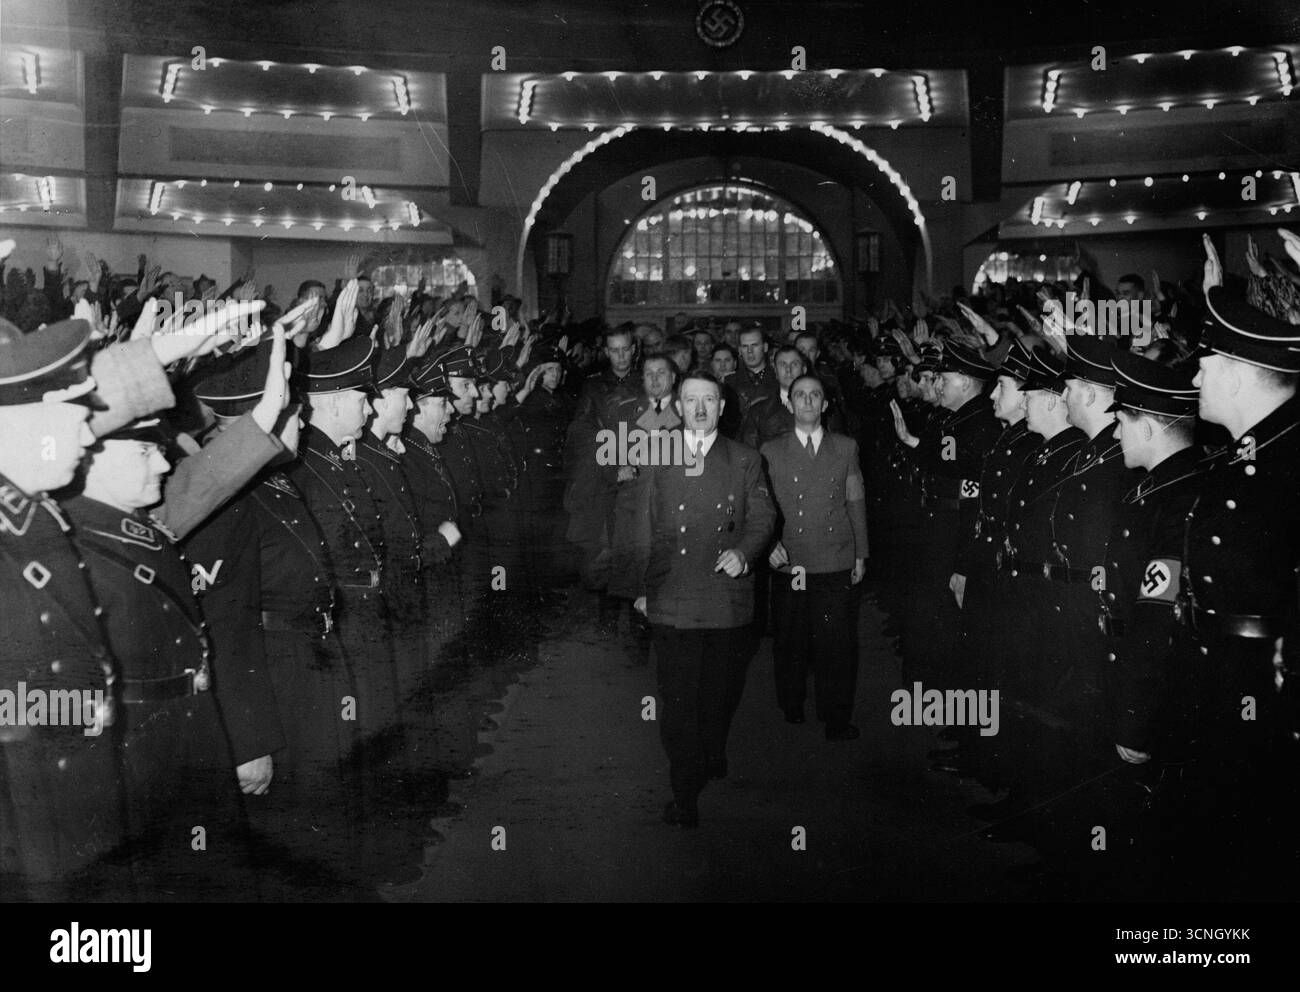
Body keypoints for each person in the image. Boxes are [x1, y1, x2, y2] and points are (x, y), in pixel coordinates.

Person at [1175, 284, 1300, 898]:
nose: (1195, 368)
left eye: (1210, 359)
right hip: (1221, 675)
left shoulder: (1288, 458)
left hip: (1267, 695)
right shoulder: (1240, 452)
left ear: (1245, 375)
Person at [628, 373, 775, 828]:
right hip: (672, 592)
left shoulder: (745, 458)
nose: (699, 408)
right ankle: (684, 791)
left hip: (725, 596)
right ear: (678, 406)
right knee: (678, 700)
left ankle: (711, 751)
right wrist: (638, 588)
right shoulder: (656, 452)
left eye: (708, 400)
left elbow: (764, 515)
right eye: (690, 400)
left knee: (717, 693)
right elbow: (639, 524)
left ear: (722, 406)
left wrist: (745, 553)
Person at [761, 374, 868, 741]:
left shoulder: (845, 447)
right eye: (800, 395)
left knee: (836, 643)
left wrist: (861, 553)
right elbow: (762, 505)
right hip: (791, 559)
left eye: (815, 395)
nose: (807, 401)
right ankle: (791, 704)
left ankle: (835, 716)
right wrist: (768, 542)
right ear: (789, 404)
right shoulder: (770, 451)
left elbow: (855, 499)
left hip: (834, 557)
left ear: (825, 404)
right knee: (790, 638)